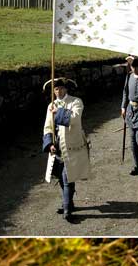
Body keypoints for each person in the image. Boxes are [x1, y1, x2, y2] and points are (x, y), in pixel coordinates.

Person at [41, 77, 90, 224]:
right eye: (56, 89)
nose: (59, 91)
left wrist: (59, 111)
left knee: (68, 177)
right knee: (60, 175)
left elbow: (75, 118)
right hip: (57, 148)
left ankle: (67, 209)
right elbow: (48, 126)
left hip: (72, 146)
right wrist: (49, 143)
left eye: (61, 88)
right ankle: (69, 202)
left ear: (66, 89)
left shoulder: (76, 102)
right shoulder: (51, 105)